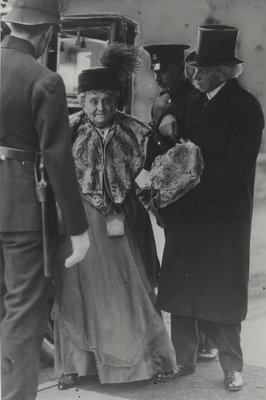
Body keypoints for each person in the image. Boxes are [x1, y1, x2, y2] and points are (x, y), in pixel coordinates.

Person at [54, 43, 177, 390]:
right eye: (93, 99)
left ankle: (143, 365)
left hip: (125, 222)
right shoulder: (68, 130)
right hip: (82, 225)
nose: (101, 107)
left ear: (116, 99)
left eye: (107, 99)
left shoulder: (137, 131)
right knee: (78, 294)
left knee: (132, 288)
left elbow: (151, 175)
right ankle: (76, 365)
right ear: (82, 98)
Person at [155, 25, 265, 391]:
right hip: (190, 214)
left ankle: (232, 367)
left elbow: (238, 168)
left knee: (223, 292)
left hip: (222, 215)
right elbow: (173, 145)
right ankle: (182, 361)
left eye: (201, 69)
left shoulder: (246, 107)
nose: (194, 74)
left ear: (223, 71)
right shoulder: (192, 101)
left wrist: (188, 185)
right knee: (183, 289)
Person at [0, 1, 90, 399]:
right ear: (47, 32)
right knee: (22, 314)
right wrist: (79, 229)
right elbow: (57, 161)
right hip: (20, 212)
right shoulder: (45, 80)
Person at [143, 43, 218, 362]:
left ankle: (207, 339)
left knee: (199, 265)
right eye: (156, 71)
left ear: (181, 69)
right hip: (168, 197)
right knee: (181, 262)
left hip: (193, 195)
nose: (159, 78)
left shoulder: (195, 97)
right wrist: (143, 182)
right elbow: (153, 147)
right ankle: (193, 341)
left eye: (166, 71)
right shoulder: (161, 99)